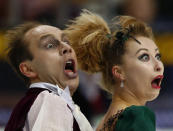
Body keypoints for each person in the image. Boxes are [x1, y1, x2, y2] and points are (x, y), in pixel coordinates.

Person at [64, 10, 164, 131]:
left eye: (158, 56)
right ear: (119, 72)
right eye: (144, 57)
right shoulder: (137, 116)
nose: (158, 65)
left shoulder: (104, 122)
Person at [4, 22, 93, 131]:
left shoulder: (30, 104)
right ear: (28, 69)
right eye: (50, 45)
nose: (67, 47)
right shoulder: (51, 102)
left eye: (66, 41)